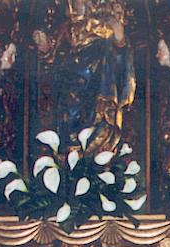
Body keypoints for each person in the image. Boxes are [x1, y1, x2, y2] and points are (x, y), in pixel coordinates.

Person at [32, 0, 135, 152]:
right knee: (68, 125)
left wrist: (119, 40)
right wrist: (45, 47)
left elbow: (119, 62)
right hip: (68, 90)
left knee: (96, 125)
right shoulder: (65, 29)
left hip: (96, 88)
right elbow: (52, 59)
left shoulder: (105, 26)